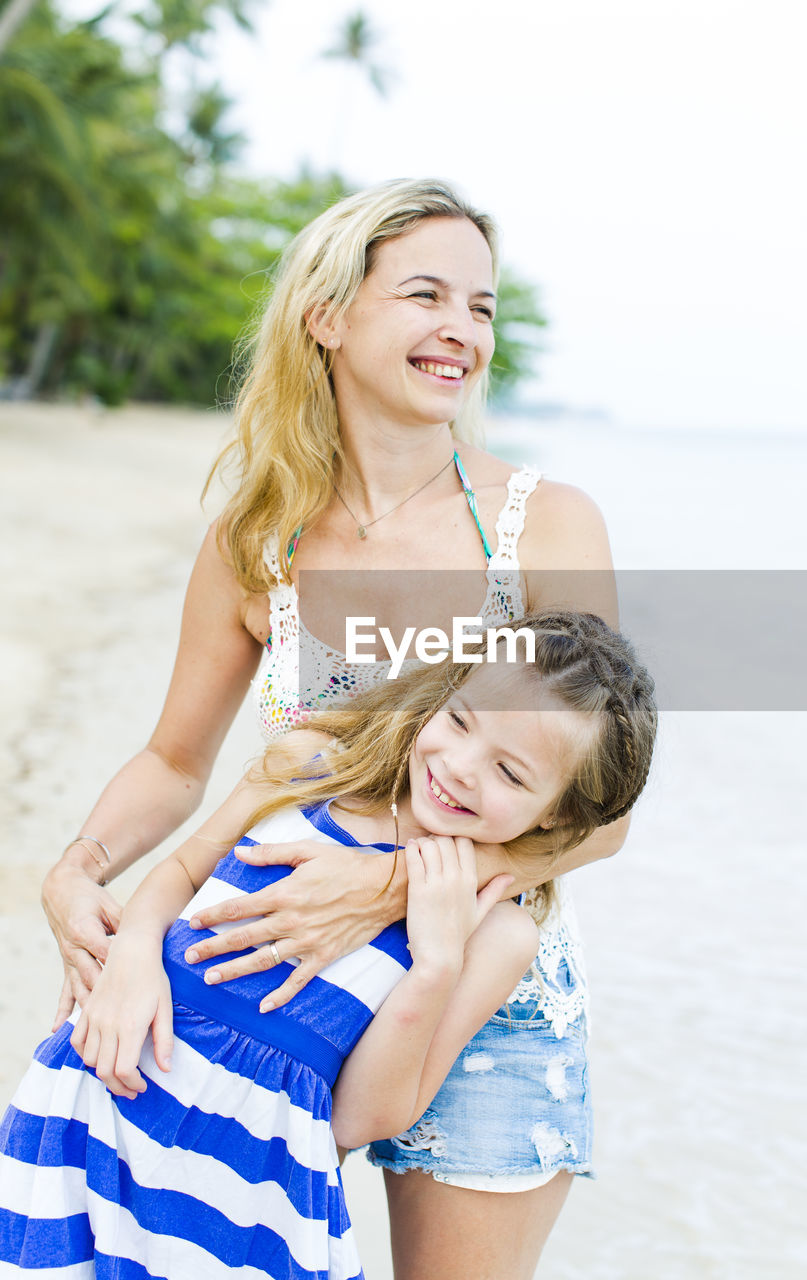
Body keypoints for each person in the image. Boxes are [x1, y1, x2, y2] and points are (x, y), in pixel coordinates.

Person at [40, 180, 627, 1278]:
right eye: (426, 294)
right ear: (327, 314)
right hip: (262, 990)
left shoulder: (541, 524)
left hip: (484, 1001)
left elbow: (604, 817)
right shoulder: (255, 537)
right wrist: (77, 870)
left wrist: (393, 884)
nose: (462, 329)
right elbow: (175, 763)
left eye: (483, 307)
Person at [2, 614, 657, 1279]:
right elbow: (181, 871)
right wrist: (136, 950)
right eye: (458, 721)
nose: (458, 769)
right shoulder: (310, 768)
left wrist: (433, 965)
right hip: (96, 1105)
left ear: (558, 815)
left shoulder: (494, 932)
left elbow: (359, 1120)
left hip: (247, 1191)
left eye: (510, 774)